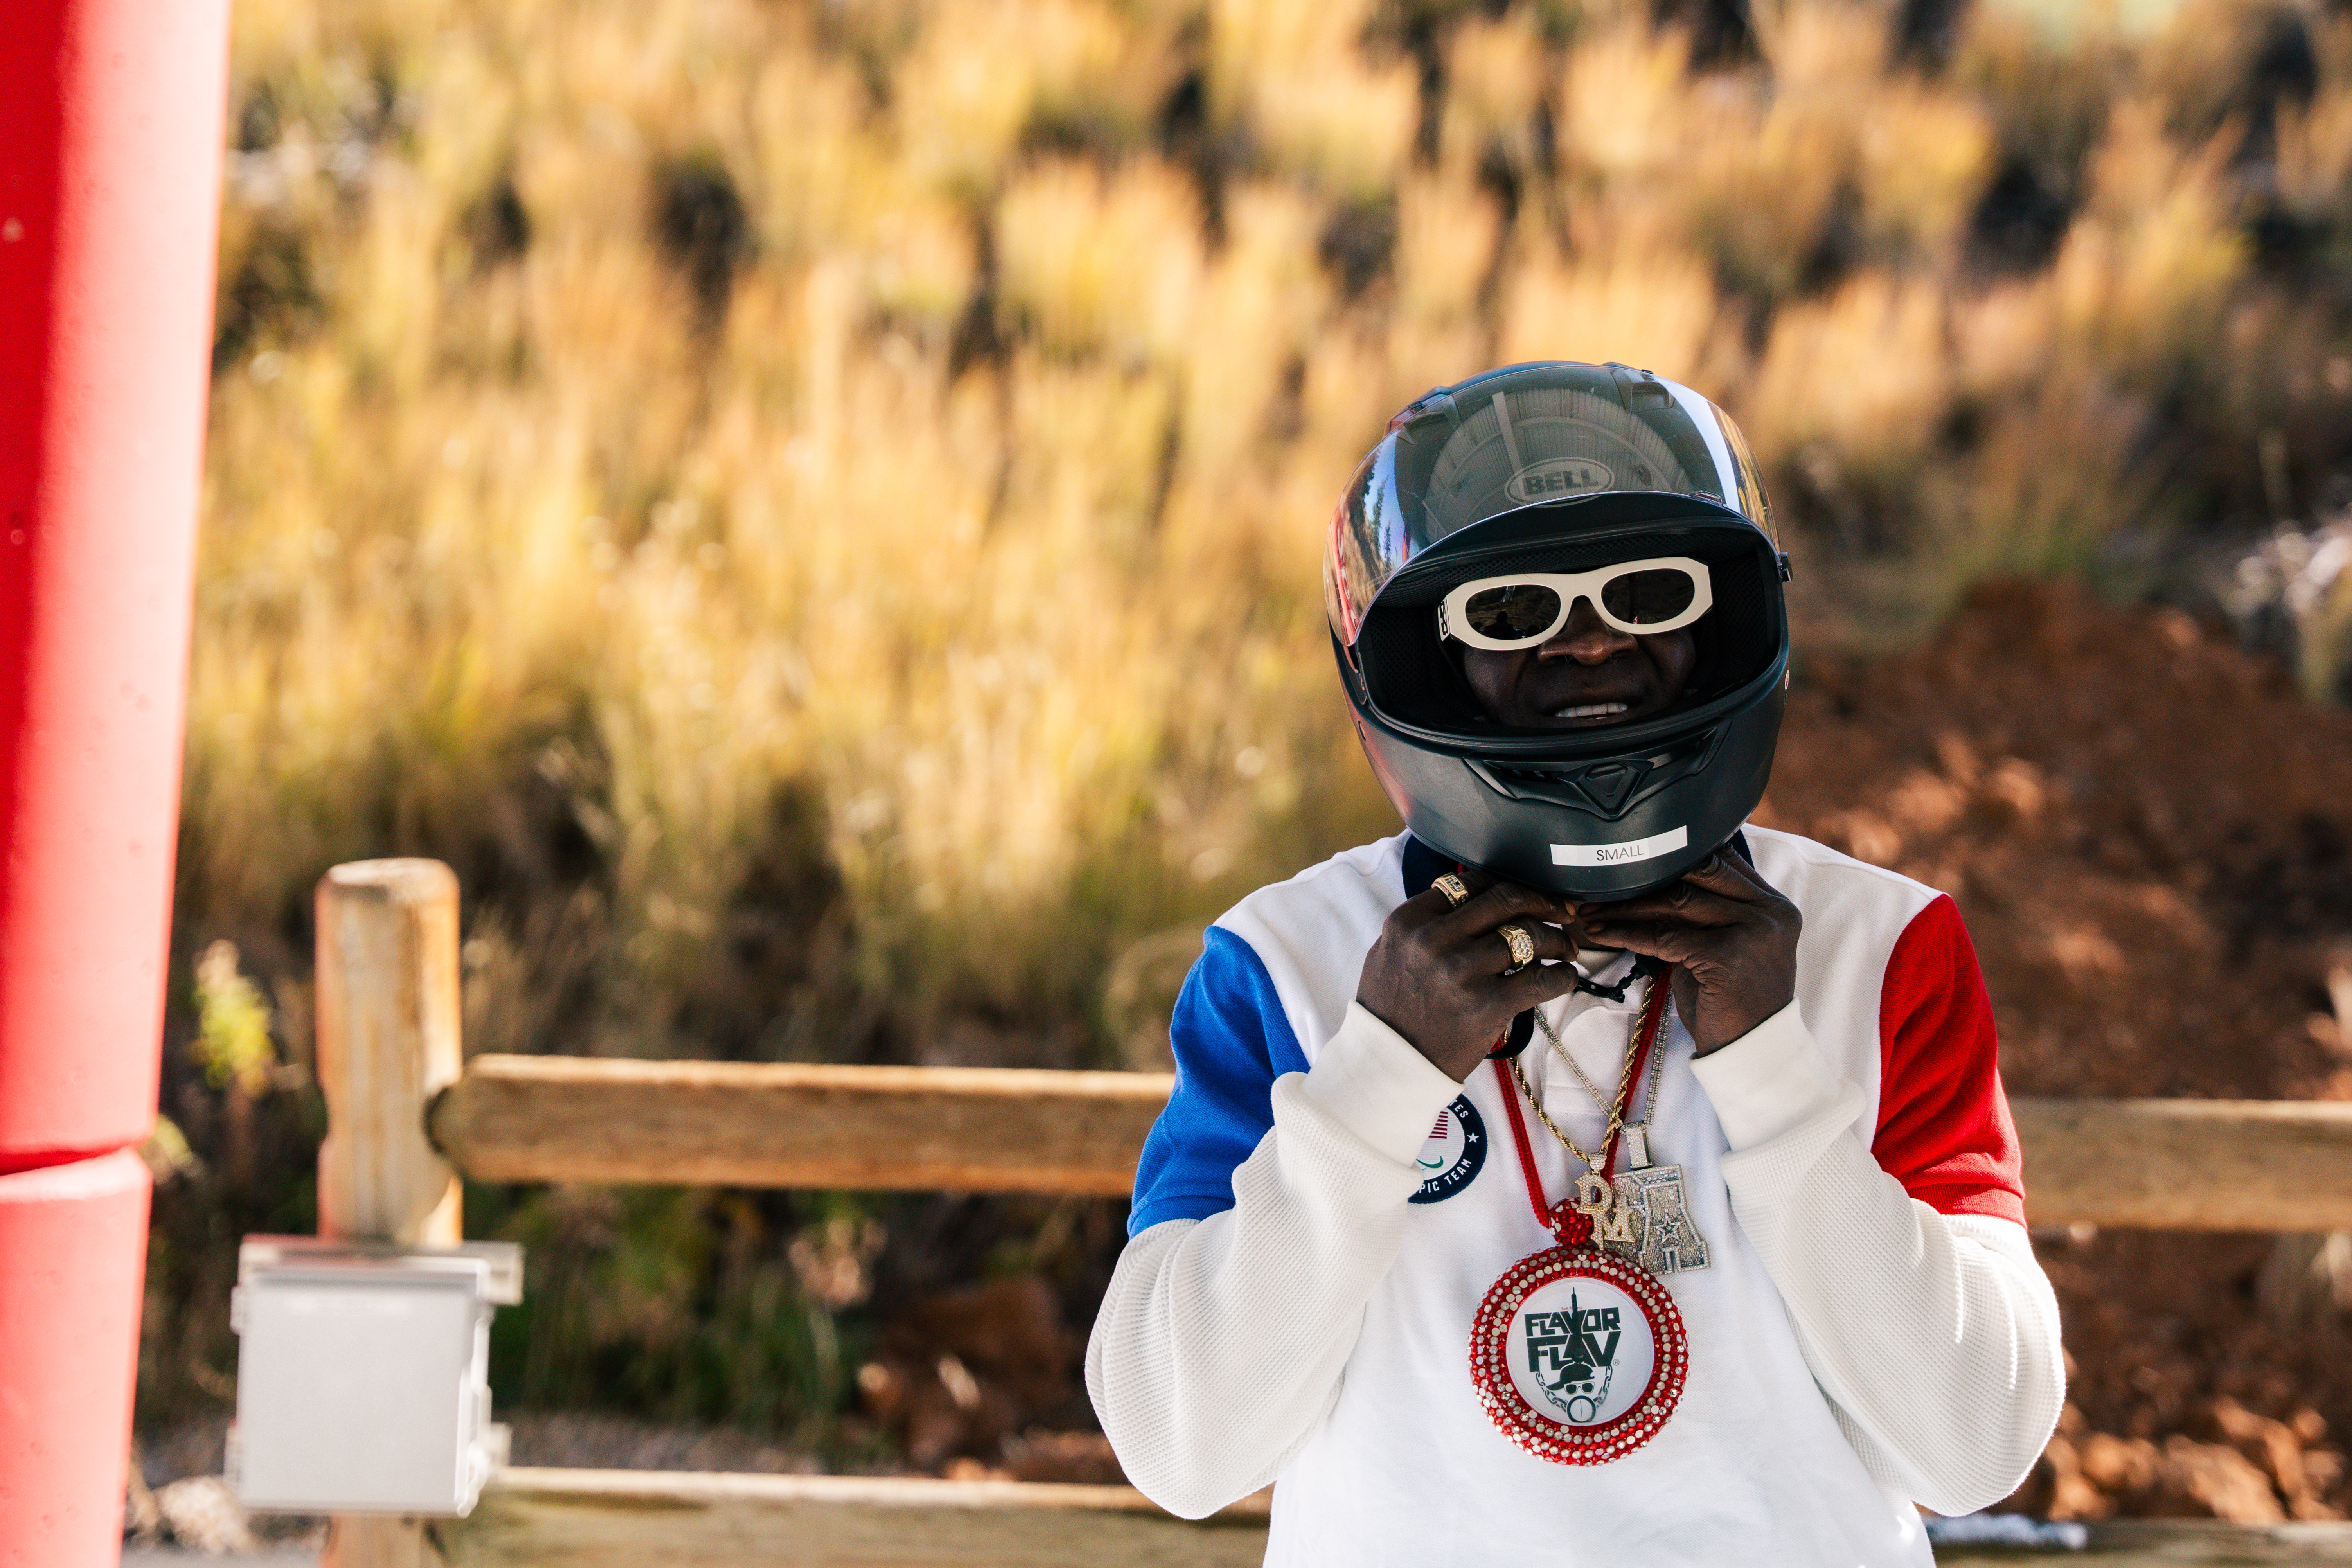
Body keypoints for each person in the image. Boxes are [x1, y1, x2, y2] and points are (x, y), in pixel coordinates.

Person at [1086, 361, 2065, 1565]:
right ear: (1419, 660)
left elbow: (1972, 1445)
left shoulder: (1882, 948)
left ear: (1720, 625)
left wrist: (1773, 1069)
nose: (1592, 642)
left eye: (1646, 594)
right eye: (1511, 615)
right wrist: (1377, 1077)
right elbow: (1181, 1449)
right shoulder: (1285, 966)